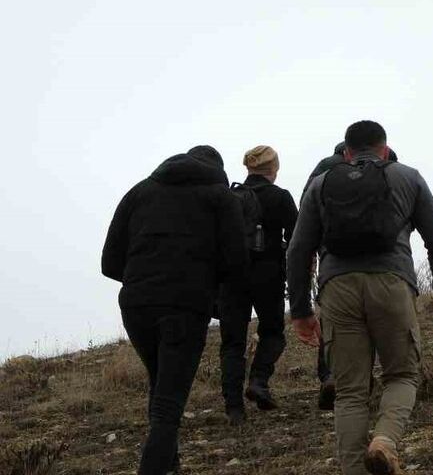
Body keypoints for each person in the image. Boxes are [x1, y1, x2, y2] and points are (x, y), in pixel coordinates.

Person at [287, 121, 433, 475]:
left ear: (346, 153)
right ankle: (385, 441)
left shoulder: (320, 185)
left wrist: (300, 310)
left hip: (337, 289)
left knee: (349, 392)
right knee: (403, 375)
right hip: (391, 283)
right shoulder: (408, 177)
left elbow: (298, 250)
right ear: (385, 148)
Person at [102, 146, 246, 475]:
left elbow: (109, 262)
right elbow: (237, 262)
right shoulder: (219, 197)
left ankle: (172, 466)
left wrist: (146, 279)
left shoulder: (139, 192)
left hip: (136, 305)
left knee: (161, 385)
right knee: (169, 405)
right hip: (184, 306)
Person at [303, 143, 399, 411]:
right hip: (379, 259)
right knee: (373, 317)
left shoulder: (323, 170)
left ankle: (330, 375)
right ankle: (364, 379)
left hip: (333, 256)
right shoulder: (385, 169)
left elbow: (307, 211)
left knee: (334, 318)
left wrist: (311, 253)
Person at [218, 145, 298, 424]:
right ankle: (259, 381)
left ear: (248, 169)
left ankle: (234, 407)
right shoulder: (280, 197)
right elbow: (298, 239)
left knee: (232, 343)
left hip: (232, 278)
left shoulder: (229, 197)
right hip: (269, 276)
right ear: (273, 169)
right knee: (273, 332)